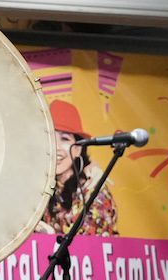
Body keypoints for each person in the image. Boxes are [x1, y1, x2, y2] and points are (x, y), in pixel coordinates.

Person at [42, 98, 117, 235]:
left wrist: (50, 237)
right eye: (51, 137)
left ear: (77, 149)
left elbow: (91, 250)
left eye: (65, 139)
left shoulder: (92, 190)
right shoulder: (41, 189)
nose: (56, 147)